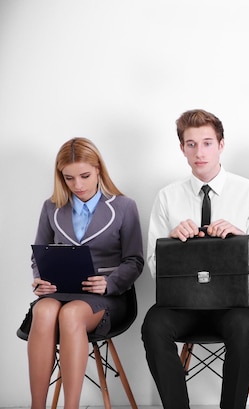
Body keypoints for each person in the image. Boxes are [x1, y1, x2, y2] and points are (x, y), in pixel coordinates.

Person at [141, 109, 249, 409]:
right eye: (191, 144)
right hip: (183, 302)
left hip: (235, 303)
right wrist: (171, 244)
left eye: (207, 143)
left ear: (221, 144)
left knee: (241, 330)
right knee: (153, 325)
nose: (199, 152)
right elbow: (153, 267)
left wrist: (240, 240)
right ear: (181, 148)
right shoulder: (167, 197)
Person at [23, 137, 144, 409]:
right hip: (60, 289)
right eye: (69, 178)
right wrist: (39, 279)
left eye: (85, 176)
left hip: (106, 296)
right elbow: (38, 254)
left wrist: (110, 283)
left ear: (98, 169)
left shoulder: (124, 207)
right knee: (42, 311)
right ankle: (37, 407)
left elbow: (135, 260)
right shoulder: (51, 207)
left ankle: (71, 407)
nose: (78, 185)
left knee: (72, 313)